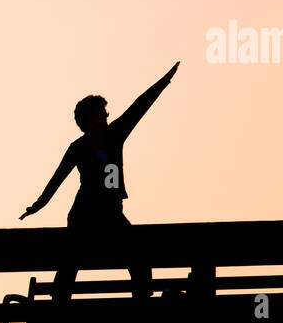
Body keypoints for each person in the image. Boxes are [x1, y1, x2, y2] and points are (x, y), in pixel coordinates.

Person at [20, 62, 179, 302]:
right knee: (70, 264)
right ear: (91, 118)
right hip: (85, 215)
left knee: (139, 260)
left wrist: (164, 81)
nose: (107, 115)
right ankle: (59, 308)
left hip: (111, 214)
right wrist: (37, 206)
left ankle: (142, 305)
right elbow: (56, 180)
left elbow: (139, 105)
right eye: (102, 112)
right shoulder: (80, 147)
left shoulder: (115, 134)